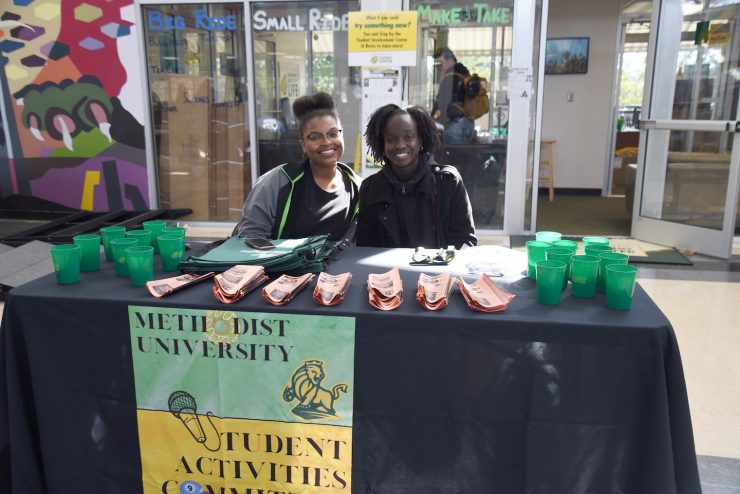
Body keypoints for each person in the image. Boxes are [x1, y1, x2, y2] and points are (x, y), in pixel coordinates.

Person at [236, 92, 361, 242]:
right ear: (303, 145)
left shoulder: (358, 188)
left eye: (333, 134)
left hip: (337, 265)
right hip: (282, 264)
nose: (327, 142)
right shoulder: (276, 183)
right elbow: (250, 236)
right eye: (315, 137)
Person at [357, 104, 477, 249]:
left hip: (440, 270)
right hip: (388, 271)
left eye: (408, 137)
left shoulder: (448, 181)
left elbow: (465, 242)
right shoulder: (370, 189)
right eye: (391, 139)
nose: (400, 145)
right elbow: (365, 248)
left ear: (420, 140)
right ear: (382, 144)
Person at [431, 47, 474, 144]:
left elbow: (442, 104)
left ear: (449, 60)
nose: (438, 67)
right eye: (436, 64)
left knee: (453, 156)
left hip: (455, 125)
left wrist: (433, 117)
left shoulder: (449, 77)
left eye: (440, 63)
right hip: (469, 123)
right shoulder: (464, 73)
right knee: (463, 155)